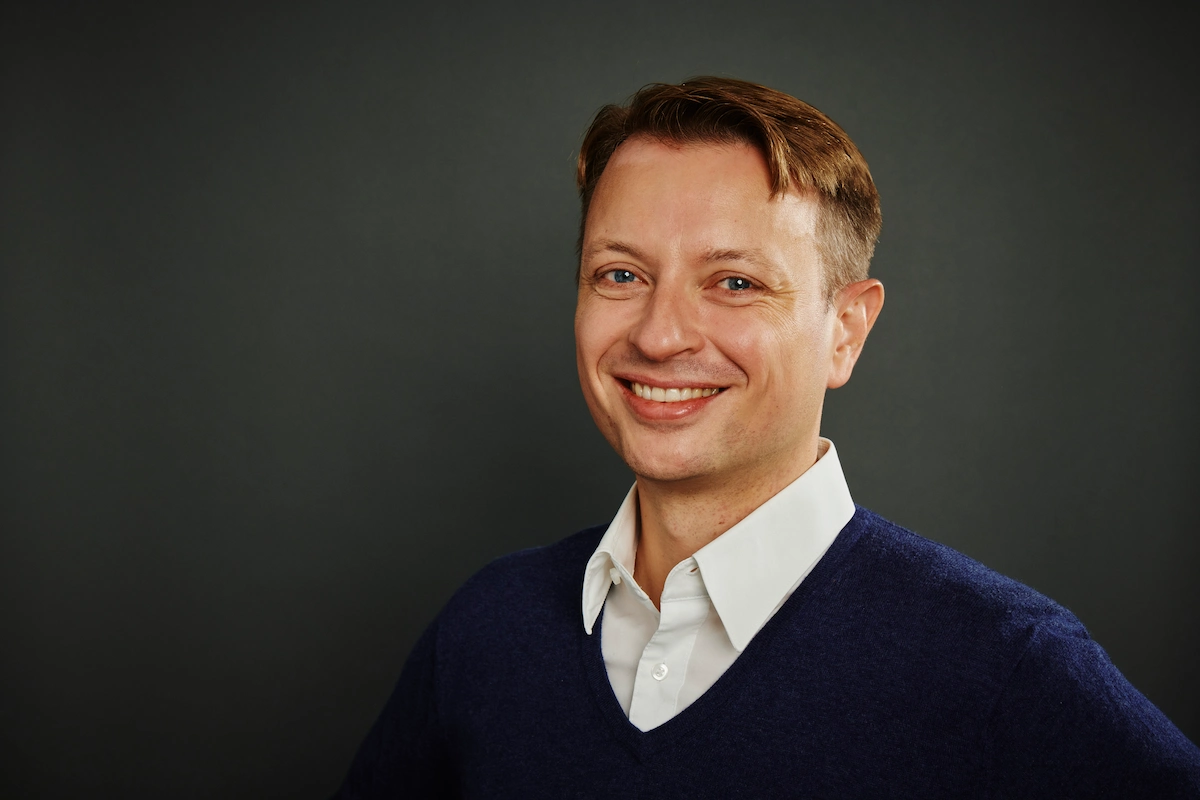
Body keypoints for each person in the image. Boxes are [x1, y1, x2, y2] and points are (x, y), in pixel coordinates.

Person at [334, 77, 1200, 798]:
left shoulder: (1006, 670)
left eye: (736, 281)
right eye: (621, 274)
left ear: (846, 331)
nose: (661, 334)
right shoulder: (490, 628)